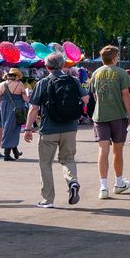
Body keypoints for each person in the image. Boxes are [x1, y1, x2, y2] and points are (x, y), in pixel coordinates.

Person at [25, 53, 84, 208]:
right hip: (70, 128)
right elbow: (85, 99)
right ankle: (73, 182)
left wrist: (28, 128)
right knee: (68, 159)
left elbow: (34, 108)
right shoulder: (74, 81)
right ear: (63, 65)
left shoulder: (43, 82)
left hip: (48, 129)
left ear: (47, 67)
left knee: (45, 163)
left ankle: (48, 199)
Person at [88, 46, 130, 198]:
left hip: (100, 115)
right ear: (115, 58)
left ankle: (103, 187)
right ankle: (119, 182)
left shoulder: (96, 73)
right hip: (118, 115)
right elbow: (125, 96)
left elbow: (95, 96)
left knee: (103, 150)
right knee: (118, 150)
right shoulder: (121, 73)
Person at [0, 69, 28, 160]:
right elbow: (26, 99)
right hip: (17, 107)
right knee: (12, 129)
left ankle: (16, 152)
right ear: (15, 76)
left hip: (4, 107)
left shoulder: (1, 85)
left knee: (7, 127)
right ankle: (6, 154)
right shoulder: (20, 84)